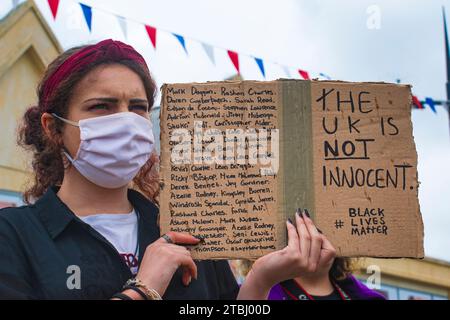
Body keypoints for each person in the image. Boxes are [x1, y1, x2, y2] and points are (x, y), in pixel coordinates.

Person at [0, 39, 332, 300]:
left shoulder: (192, 230)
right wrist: (144, 289)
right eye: (102, 106)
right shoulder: (12, 235)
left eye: (138, 108)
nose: (126, 120)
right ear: (53, 127)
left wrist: (261, 278)